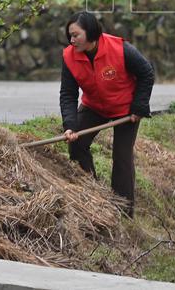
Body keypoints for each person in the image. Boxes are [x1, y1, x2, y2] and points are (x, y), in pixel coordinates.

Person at [59, 11, 154, 215]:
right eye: (70, 35)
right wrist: (70, 125)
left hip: (125, 109)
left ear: (91, 33)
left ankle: (122, 211)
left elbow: (146, 72)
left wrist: (139, 107)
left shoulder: (120, 49)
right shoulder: (69, 56)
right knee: (77, 145)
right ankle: (93, 197)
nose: (71, 40)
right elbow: (68, 93)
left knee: (121, 157)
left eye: (76, 35)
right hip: (94, 106)